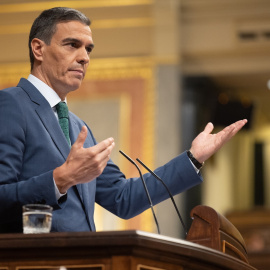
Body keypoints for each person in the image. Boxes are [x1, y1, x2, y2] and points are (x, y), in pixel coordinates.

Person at [0, 7, 247, 233]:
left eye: (88, 49)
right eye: (72, 45)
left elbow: (123, 197)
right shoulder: (11, 105)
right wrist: (61, 179)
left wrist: (193, 158)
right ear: (38, 49)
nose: (84, 57)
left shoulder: (77, 126)